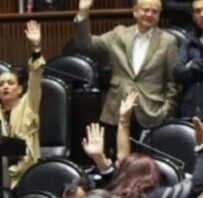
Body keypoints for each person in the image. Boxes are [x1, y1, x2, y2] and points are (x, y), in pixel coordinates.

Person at [75, 0, 179, 132]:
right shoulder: (119, 35)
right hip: (117, 109)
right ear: (135, 11)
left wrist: (166, 110)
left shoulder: (168, 41)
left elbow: (173, 82)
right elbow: (86, 44)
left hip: (151, 112)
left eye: (155, 11)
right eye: (146, 10)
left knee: (146, 153)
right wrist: (83, 13)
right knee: (117, 153)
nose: (150, 14)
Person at [0, 21, 45, 188]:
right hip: (0, 173)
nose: (5, 87)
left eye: (10, 83)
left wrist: (36, 47)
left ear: (19, 89)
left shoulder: (29, 103)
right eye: (1, 84)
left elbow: (36, 75)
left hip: (28, 170)